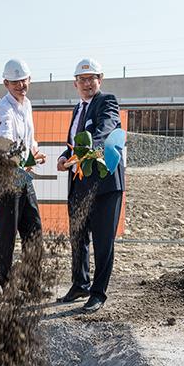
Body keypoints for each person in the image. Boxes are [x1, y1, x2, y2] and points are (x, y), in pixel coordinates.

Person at [56, 58, 125, 312]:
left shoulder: (107, 102)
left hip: (105, 185)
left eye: (91, 79)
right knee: (78, 236)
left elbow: (105, 130)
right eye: (82, 80)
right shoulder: (77, 109)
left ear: (100, 79)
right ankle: (80, 284)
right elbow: (75, 142)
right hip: (79, 183)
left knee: (103, 242)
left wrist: (85, 151)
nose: (87, 84)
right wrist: (66, 155)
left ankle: (98, 293)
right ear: (75, 83)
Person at [0, 58, 46, 289]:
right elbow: (5, 146)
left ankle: (31, 280)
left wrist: (34, 150)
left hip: (22, 176)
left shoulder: (26, 104)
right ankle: (7, 284)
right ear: (6, 83)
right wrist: (27, 158)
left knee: (34, 229)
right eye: (15, 82)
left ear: (29, 79)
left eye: (23, 80)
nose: (21, 85)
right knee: (7, 234)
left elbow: (28, 138)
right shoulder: (3, 109)